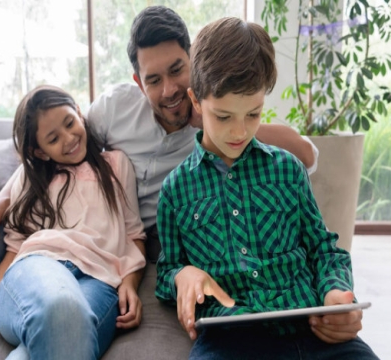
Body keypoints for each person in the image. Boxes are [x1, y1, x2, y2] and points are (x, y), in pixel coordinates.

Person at [0, 6, 320, 353]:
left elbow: (305, 154)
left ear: (194, 65)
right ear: (138, 81)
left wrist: (217, 119)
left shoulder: (221, 122)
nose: (168, 89)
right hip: (55, 234)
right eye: (154, 79)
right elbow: (48, 158)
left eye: (177, 70)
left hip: (129, 241)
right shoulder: (112, 109)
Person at [155, 17, 378, 359]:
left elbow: (324, 249)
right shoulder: (175, 190)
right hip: (229, 340)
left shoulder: (288, 170)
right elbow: (167, 270)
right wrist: (181, 275)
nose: (239, 132)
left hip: (311, 329)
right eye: (224, 117)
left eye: (254, 114)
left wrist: (336, 293)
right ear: (196, 102)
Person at [0, 85, 146, 360]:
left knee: (55, 340)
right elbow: (13, 254)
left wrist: (130, 283)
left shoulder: (116, 165)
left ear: (80, 114)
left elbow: (135, 235)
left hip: (100, 282)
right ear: (40, 152)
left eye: (70, 122)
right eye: (53, 138)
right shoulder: (30, 179)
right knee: (61, 309)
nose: (69, 137)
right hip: (37, 268)